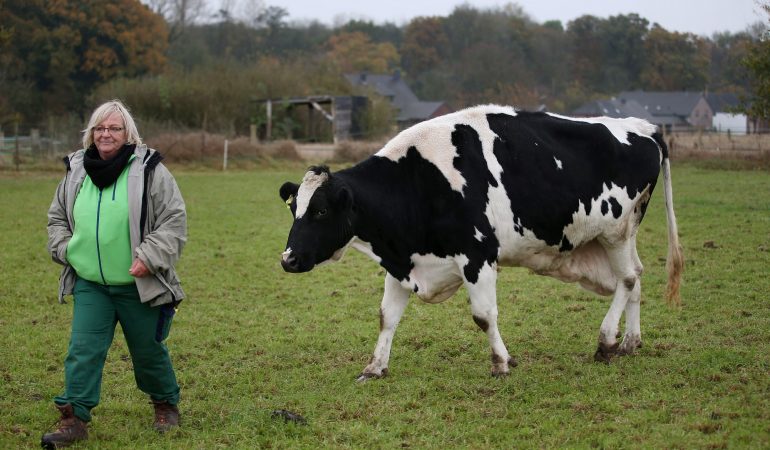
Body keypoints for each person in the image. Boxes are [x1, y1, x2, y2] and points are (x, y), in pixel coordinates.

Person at [43, 99, 187, 448]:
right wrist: (68, 252)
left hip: (138, 284)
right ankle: (74, 418)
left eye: (114, 128)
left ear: (128, 134)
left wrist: (149, 257)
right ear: (91, 133)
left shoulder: (149, 170)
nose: (106, 134)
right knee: (83, 350)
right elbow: (57, 219)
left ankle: (165, 404)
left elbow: (174, 221)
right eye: (100, 128)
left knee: (148, 351)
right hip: (91, 284)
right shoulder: (76, 170)